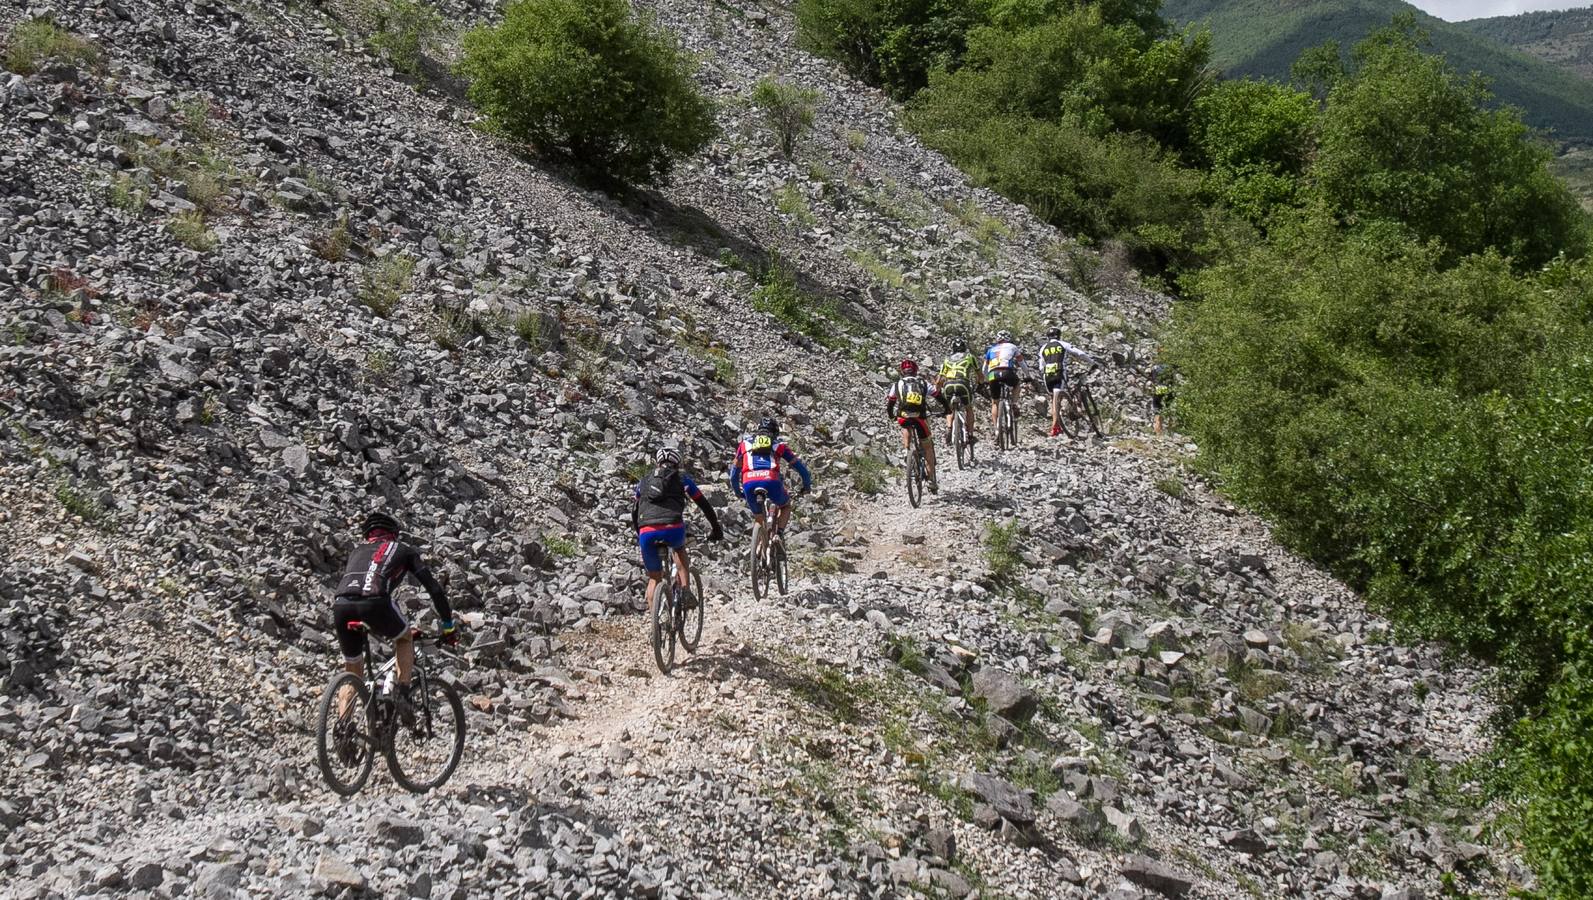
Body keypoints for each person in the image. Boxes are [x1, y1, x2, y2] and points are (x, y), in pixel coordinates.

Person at [332, 511, 457, 714]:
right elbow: (434, 589)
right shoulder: (403, 550)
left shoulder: (357, 552)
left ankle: (342, 732)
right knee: (404, 638)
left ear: (368, 535)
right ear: (394, 534)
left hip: (341, 605)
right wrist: (448, 627)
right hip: (374, 602)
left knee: (353, 671)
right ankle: (402, 694)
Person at [631, 446, 722, 613]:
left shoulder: (643, 481)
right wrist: (716, 528)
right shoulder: (682, 478)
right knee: (679, 551)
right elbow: (703, 504)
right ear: (677, 463)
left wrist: (641, 533)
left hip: (646, 531)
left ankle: (655, 626)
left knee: (654, 578)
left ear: (657, 462)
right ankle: (685, 592)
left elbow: (635, 510)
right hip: (672, 527)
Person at [728, 417, 812, 558]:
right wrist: (806, 486)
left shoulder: (744, 445)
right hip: (771, 480)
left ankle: (760, 547)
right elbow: (802, 469)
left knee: (759, 518)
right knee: (785, 506)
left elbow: (733, 474)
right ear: (775, 433)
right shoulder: (779, 446)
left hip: (748, 482)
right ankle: (778, 534)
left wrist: (738, 492)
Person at [886, 359, 944, 492]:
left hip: (904, 417)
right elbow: (938, 395)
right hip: (920, 417)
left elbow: (890, 403)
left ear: (902, 372)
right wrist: (946, 408)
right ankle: (931, 480)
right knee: (928, 447)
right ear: (916, 371)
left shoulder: (897, 384)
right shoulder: (923, 383)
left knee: (905, 425)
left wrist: (891, 415)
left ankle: (907, 450)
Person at [1038, 328, 1100, 436]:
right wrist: (1091, 362)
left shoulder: (1043, 348)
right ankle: (1056, 426)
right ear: (1059, 336)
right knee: (1058, 398)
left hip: (1047, 376)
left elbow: (1041, 366)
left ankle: (1057, 422)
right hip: (1059, 372)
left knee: (1053, 400)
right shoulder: (1062, 344)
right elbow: (1079, 353)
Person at [936, 337, 978, 450]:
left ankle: (949, 428)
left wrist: (938, 391)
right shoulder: (969, 357)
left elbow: (939, 379)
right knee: (969, 408)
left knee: (949, 409)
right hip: (963, 383)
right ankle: (970, 435)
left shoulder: (946, 359)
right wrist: (981, 383)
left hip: (948, 385)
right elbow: (979, 373)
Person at [983, 329, 1024, 432]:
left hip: (993, 374)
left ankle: (997, 429)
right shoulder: (1013, 347)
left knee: (995, 403)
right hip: (1007, 372)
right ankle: (1014, 403)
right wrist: (1028, 376)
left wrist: (986, 380)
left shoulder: (990, 350)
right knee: (1017, 384)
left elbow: (984, 369)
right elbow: (1022, 363)